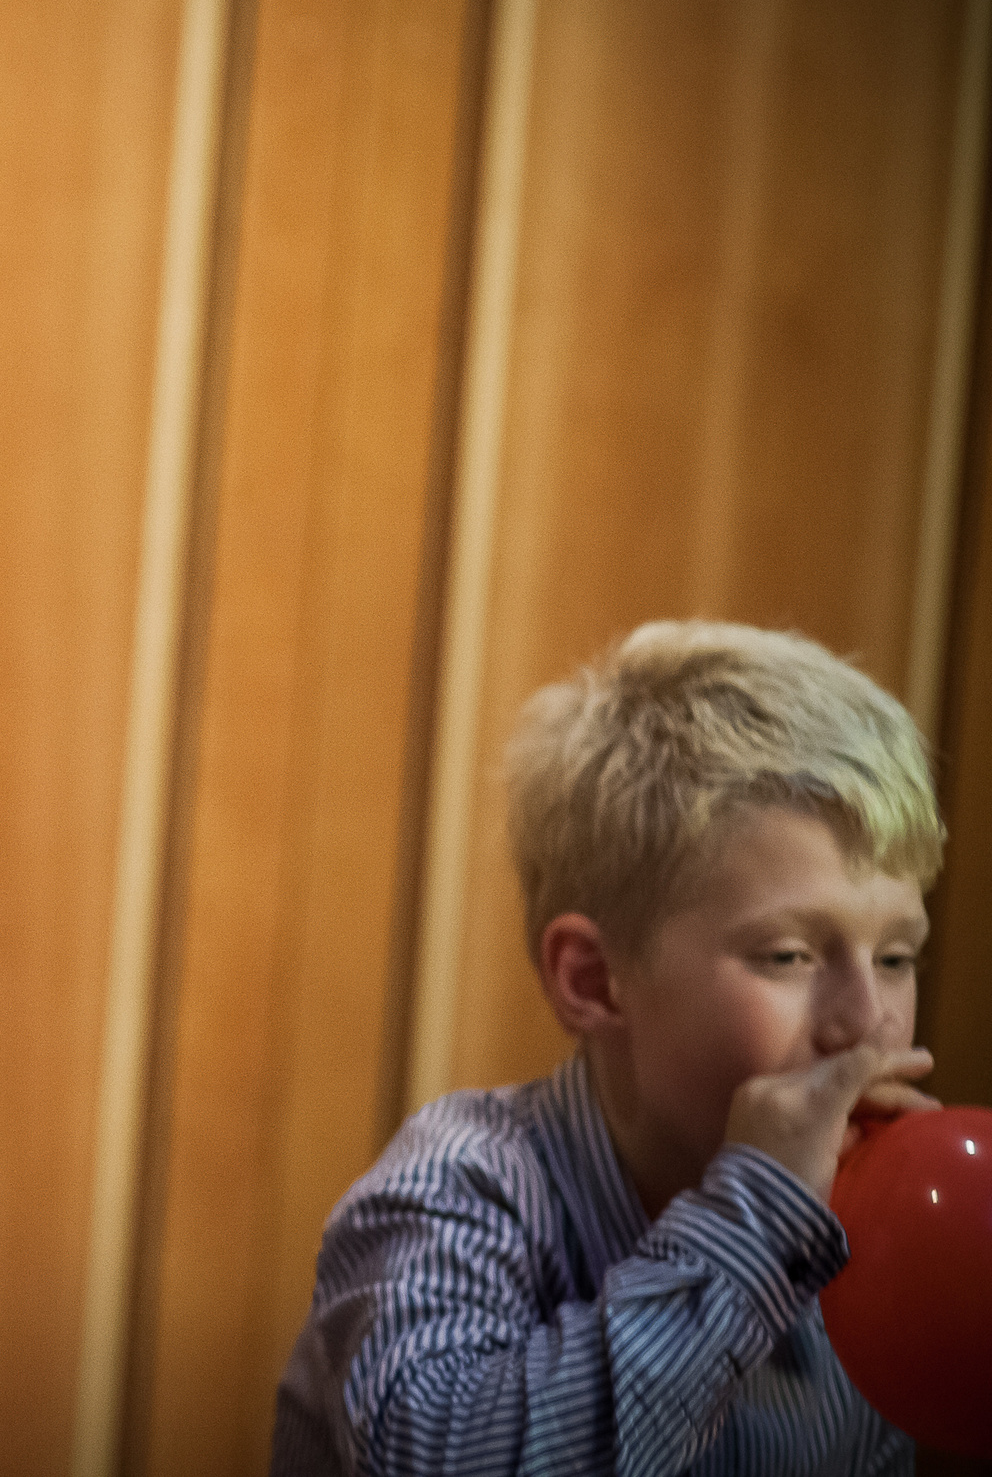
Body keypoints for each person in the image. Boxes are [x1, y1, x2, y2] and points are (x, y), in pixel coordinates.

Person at [271, 620, 940, 1474]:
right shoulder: (461, 1185)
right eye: (789, 955)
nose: (865, 1019)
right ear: (592, 980)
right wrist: (759, 1218)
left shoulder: (859, 1244)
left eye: (896, 957)